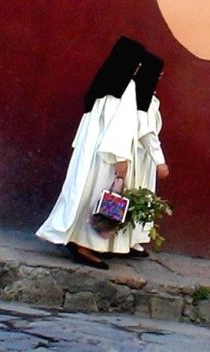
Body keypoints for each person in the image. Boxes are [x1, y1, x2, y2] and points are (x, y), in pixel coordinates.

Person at [36, 36, 145, 269]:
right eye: (138, 62)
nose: (138, 67)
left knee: (81, 192)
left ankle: (74, 237)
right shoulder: (127, 85)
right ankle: (84, 244)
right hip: (108, 156)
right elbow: (121, 124)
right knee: (98, 196)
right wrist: (121, 158)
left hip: (91, 151)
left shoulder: (105, 80)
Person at [129, 51, 169, 257]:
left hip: (143, 157)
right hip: (138, 156)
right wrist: (160, 160)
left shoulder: (147, 97)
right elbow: (146, 132)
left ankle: (134, 239)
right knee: (135, 194)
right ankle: (128, 239)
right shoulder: (139, 97)